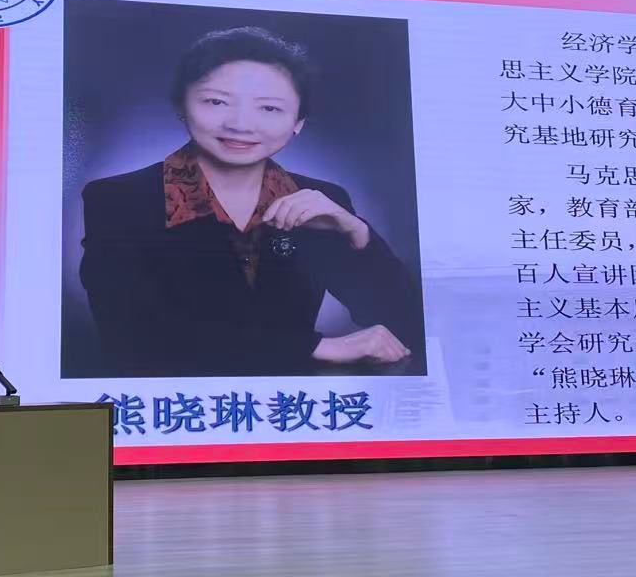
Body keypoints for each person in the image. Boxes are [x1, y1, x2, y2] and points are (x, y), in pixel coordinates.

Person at [78, 25, 424, 378]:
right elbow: (133, 336)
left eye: (269, 108)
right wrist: (316, 347)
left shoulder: (322, 200)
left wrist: (357, 233)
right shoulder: (118, 199)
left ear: (298, 122)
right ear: (182, 105)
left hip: (290, 405)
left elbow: (404, 326)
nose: (241, 125)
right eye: (216, 102)